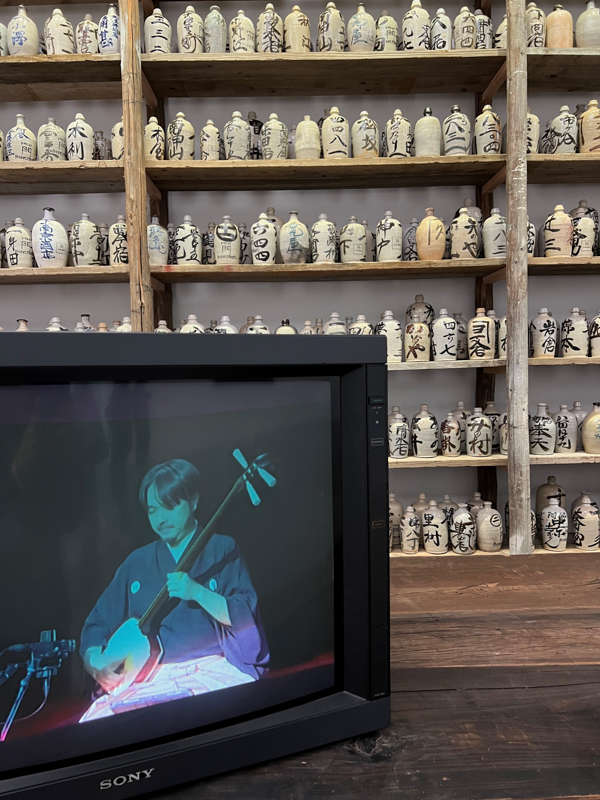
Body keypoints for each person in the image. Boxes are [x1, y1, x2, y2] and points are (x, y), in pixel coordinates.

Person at [79, 459, 269, 721]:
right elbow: (96, 623)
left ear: (193, 501)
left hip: (210, 669)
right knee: (95, 726)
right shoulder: (137, 561)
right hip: (150, 676)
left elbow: (245, 616)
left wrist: (197, 592)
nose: (161, 519)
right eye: (153, 510)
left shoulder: (222, 549)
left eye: (170, 507)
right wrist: (96, 666)